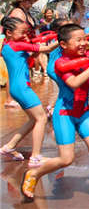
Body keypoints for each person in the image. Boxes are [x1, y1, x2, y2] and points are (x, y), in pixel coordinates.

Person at [22, 23, 89, 202]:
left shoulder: (86, 57)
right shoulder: (60, 63)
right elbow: (73, 83)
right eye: (78, 40)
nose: (83, 43)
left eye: (85, 39)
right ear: (63, 45)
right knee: (66, 159)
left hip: (83, 112)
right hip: (65, 114)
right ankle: (34, 173)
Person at [0, 17, 58, 168]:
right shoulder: (17, 45)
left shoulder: (8, 45)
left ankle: (9, 147)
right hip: (22, 88)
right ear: (9, 32)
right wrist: (63, 38)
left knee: (34, 119)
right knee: (42, 118)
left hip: (17, 87)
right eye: (22, 32)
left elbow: (29, 55)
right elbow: (48, 49)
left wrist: (36, 45)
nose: (25, 36)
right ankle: (36, 156)